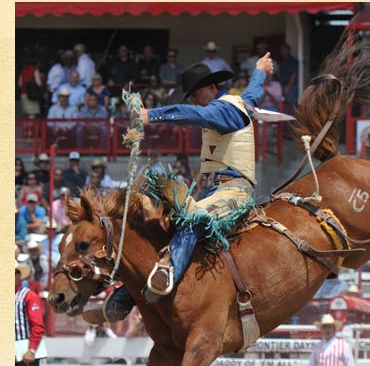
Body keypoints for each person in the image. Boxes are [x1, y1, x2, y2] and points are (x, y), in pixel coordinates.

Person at [83, 51, 274, 325]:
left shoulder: (224, 109)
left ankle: (164, 272)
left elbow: (192, 114)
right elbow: (253, 93)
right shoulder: (238, 104)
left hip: (234, 191)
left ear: (211, 88)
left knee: (192, 219)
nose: (195, 101)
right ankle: (127, 294)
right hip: (216, 191)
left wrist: (152, 114)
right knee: (168, 225)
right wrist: (259, 71)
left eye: (195, 95)